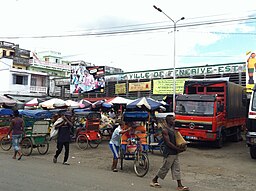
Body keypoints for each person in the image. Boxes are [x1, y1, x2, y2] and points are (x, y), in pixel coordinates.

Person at [151, 115, 189, 191]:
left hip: (174, 152)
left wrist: (181, 146)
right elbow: (168, 143)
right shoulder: (165, 130)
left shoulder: (173, 129)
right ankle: (154, 180)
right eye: (173, 120)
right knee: (164, 168)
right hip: (169, 152)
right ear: (168, 121)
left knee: (176, 169)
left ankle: (180, 185)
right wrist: (178, 149)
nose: (174, 121)